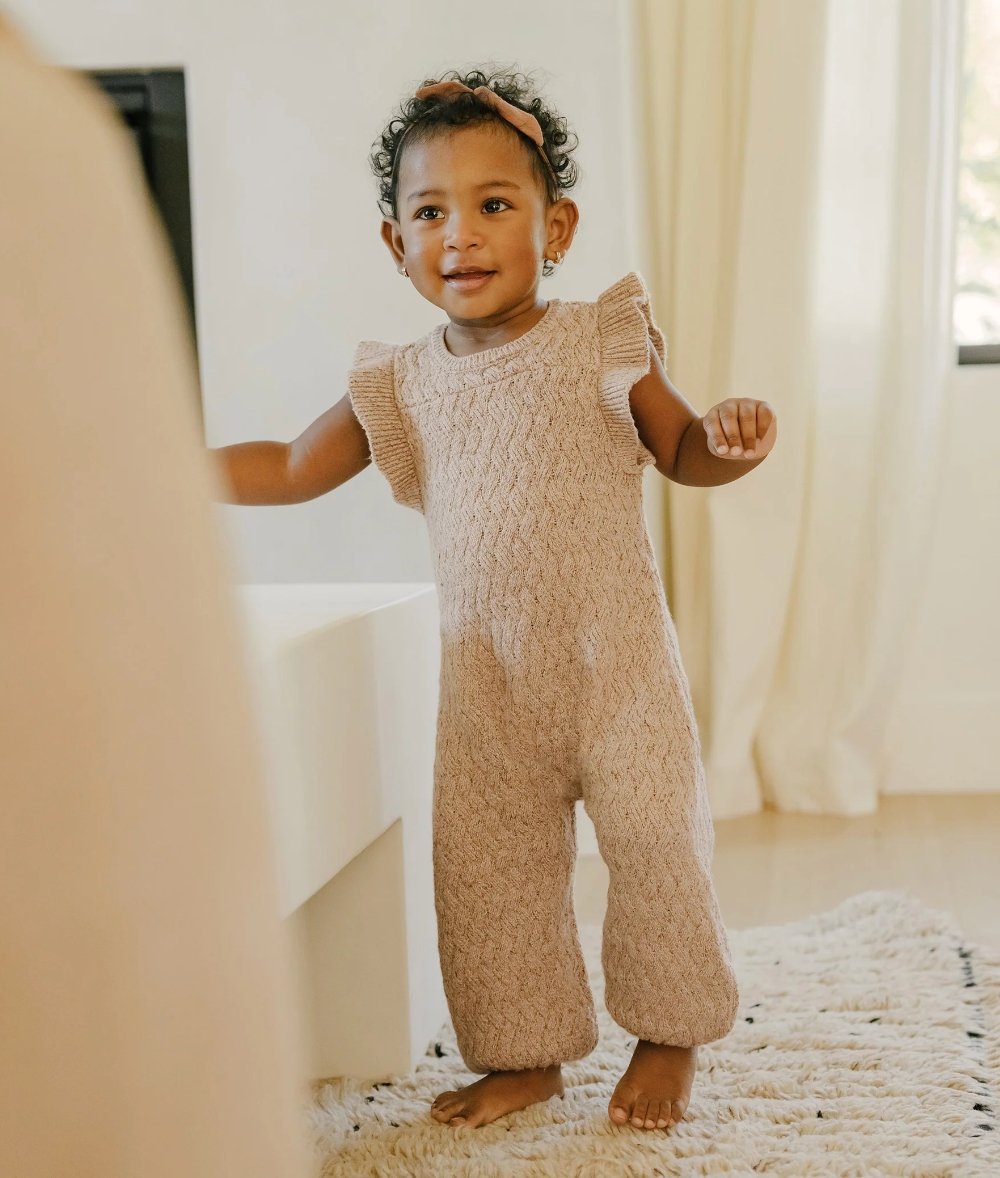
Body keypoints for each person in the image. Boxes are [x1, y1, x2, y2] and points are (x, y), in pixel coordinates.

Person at [212, 67, 778, 1135]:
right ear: (396, 243)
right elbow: (288, 465)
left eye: (494, 205)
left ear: (554, 226)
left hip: (620, 668)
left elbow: (682, 452)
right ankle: (524, 1055)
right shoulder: (400, 382)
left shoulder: (599, 340)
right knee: (491, 877)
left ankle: (669, 1033)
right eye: (430, 213)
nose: (461, 235)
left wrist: (726, 441)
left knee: (657, 846)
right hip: (486, 683)